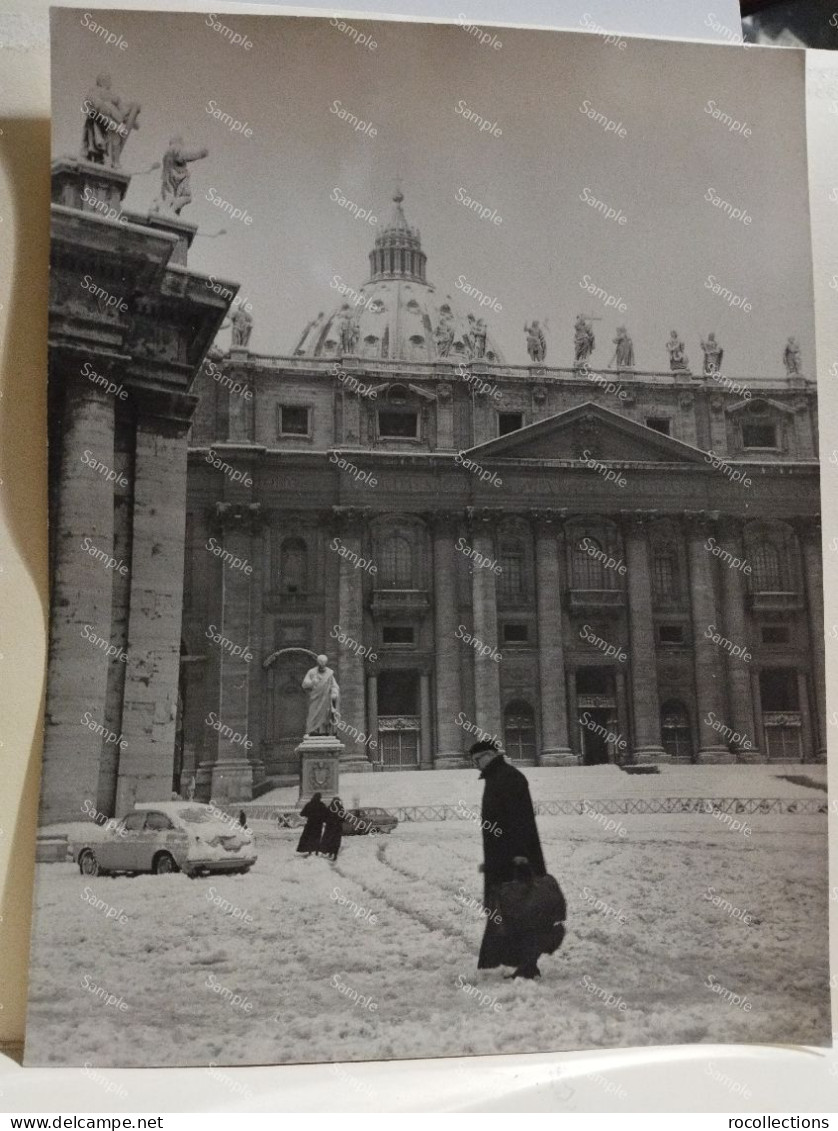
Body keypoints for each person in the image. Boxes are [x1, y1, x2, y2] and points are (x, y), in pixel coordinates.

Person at [470, 739, 550, 980]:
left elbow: (520, 820)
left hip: (516, 860)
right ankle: (524, 964)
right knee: (510, 912)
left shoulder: (509, 777)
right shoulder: (498, 777)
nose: (475, 766)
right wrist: (492, 861)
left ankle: (527, 965)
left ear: (490, 755)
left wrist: (520, 855)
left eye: (477, 760)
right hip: (503, 859)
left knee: (520, 912)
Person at [296, 792, 328, 856]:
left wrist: (309, 815)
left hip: (310, 824)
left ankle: (310, 851)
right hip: (318, 824)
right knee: (317, 837)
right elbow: (326, 815)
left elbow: (302, 813)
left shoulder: (309, 804)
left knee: (310, 837)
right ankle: (316, 851)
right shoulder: (321, 805)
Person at [321, 797, 344, 862]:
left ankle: (330, 853)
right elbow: (343, 818)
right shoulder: (340, 808)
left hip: (330, 827)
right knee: (336, 841)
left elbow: (324, 818)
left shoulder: (329, 808)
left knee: (330, 840)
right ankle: (335, 855)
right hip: (338, 828)